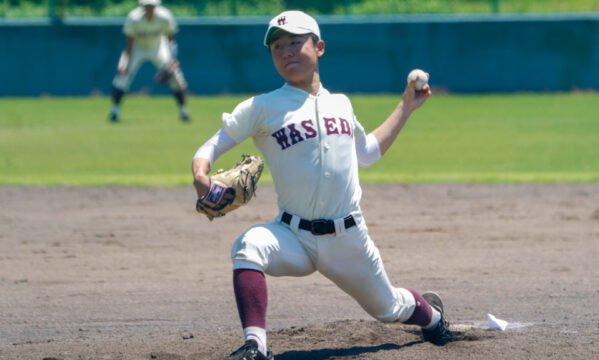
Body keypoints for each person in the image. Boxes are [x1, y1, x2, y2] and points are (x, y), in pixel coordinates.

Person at [192, 10, 453, 360]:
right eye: (277, 47)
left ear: (319, 47)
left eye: (295, 43)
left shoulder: (340, 105)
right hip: (292, 236)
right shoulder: (263, 107)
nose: (285, 51)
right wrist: (200, 175)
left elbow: (368, 152)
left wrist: (406, 106)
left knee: (388, 307)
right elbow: (212, 145)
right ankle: (255, 347)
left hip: (347, 239)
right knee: (248, 246)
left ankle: (433, 319)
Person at [109, 0, 189, 123]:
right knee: (122, 77)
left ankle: (183, 112)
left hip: (158, 47)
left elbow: (171, 40)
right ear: (142, 7)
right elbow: (129, 43)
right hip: (137, 48)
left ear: (157, 6)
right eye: (147, 6)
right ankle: (115, 111)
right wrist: (125, 63)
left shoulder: (165, 17)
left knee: (176, 77)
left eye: (152, 6)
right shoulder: (134, 18)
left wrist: (173, 59)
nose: (149, 9)